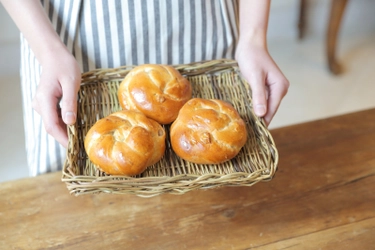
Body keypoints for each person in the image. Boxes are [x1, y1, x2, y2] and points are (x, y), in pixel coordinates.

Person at [0, 0, 289, 176]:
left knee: (213, 203)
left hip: (200, 21)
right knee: (72, 189)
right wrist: (48, 51)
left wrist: (253, 37)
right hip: (66, 37)